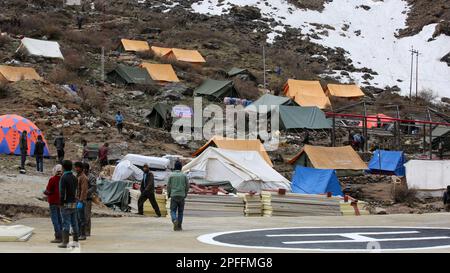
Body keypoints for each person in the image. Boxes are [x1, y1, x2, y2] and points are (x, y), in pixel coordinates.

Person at [58, 160, 79, 248]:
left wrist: (61, 202)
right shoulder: (74, 177)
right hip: (73, 202)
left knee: (65, 222)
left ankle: (65, 242)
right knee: (74, 222)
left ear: (63, 167)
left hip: (66, 203)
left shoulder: (63, 177)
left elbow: (62, 192)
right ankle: (75, 242)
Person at [167, 161, 189, 231]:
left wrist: (169, 194)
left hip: (173, 195)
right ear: (181, 167)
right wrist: (185, 194)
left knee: (173, 210)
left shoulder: (171, 175)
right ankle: (179, 226)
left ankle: (174, 220)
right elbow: (187, 186)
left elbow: (168, 186)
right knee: (180, 212)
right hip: (181, 195)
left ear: (174, 167)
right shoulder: (184, 175)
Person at [44, 164, 63, 243]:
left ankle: (58, 236)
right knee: (60, 219)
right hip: (60, 201)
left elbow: (48, 190)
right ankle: (62, 235)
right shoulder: (63, 179)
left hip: (53, 201)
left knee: (55, 219)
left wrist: (45, 192)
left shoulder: (52, 179)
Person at [74, 162, 88, 241]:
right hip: (77, 200)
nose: (76, 169)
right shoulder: (78, 176)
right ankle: (79, 233)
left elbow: (84, 190)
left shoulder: (83, 178)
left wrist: (81, 201)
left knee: (81, 218)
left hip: (81, 201)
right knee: (77, 218)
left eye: (77, 167)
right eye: (75, 167)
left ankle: (83, 234)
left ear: (81, 168)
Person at [83, 162, 97, 237]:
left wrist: (86, 192)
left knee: (86, 216)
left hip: (87, 198)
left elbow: (93, 187)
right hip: (80, 198)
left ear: (86, 169)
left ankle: (87, 231)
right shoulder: (79, 175)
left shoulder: (91, 177)